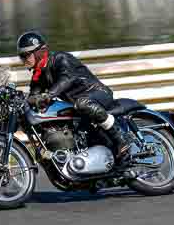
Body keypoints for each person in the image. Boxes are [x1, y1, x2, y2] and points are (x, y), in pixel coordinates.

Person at [17, 31, 133, 163]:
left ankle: (121, 140)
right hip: (78, 104)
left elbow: (67, 79)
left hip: (97, 93)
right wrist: (24, 99)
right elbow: (34, 94)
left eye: (26, 55)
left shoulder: (60, 59)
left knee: (82, 103)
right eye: (22, 56)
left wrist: (48, 95)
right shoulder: (38, 75)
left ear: (39, 52)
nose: (24, 59)